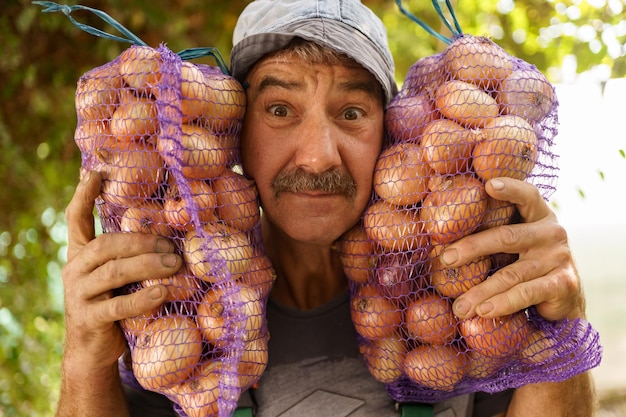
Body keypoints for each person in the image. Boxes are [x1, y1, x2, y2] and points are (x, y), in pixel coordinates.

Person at [56, 0, 595, 416]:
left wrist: (562, 324)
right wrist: (85, 357)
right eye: (281, 109)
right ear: (235, 135)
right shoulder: (177, 308)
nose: (317, 156)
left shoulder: (464, 290)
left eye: (353, 111)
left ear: (392, 135)